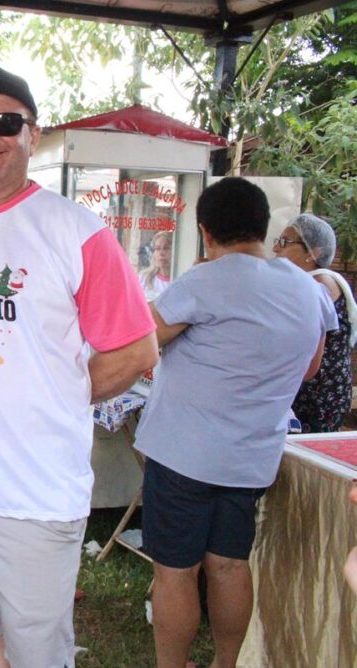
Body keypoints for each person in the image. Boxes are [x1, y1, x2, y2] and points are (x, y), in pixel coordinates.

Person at [0, 62, 158, 667]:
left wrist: (56, 396)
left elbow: (136, 350)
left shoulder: (75, 231)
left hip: (36, 492)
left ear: (31, 134)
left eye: (4, 122)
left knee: (40, 654)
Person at [134, 178, 336, 668]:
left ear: (205, 231)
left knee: (176, 573)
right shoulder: (305, 289)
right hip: (251, 459)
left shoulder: (205, 281)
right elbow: (310, 368)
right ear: (264, 229)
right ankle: (228, 662)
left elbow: (141, 341)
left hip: (182, 454)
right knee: (228, 565)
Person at [273, 213, 356, 432]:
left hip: (318, 393)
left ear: (313, 252)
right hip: (311, 387)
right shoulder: (310, 281)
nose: (276, 249)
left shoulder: (320, 284)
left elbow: (308, 350)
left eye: (284, 242)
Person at [139, 230, 173, 301]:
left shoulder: (178, 282)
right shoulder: (144, 278)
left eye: (166, 248)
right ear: (153, 253)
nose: (161, 253)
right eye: (157, 249)